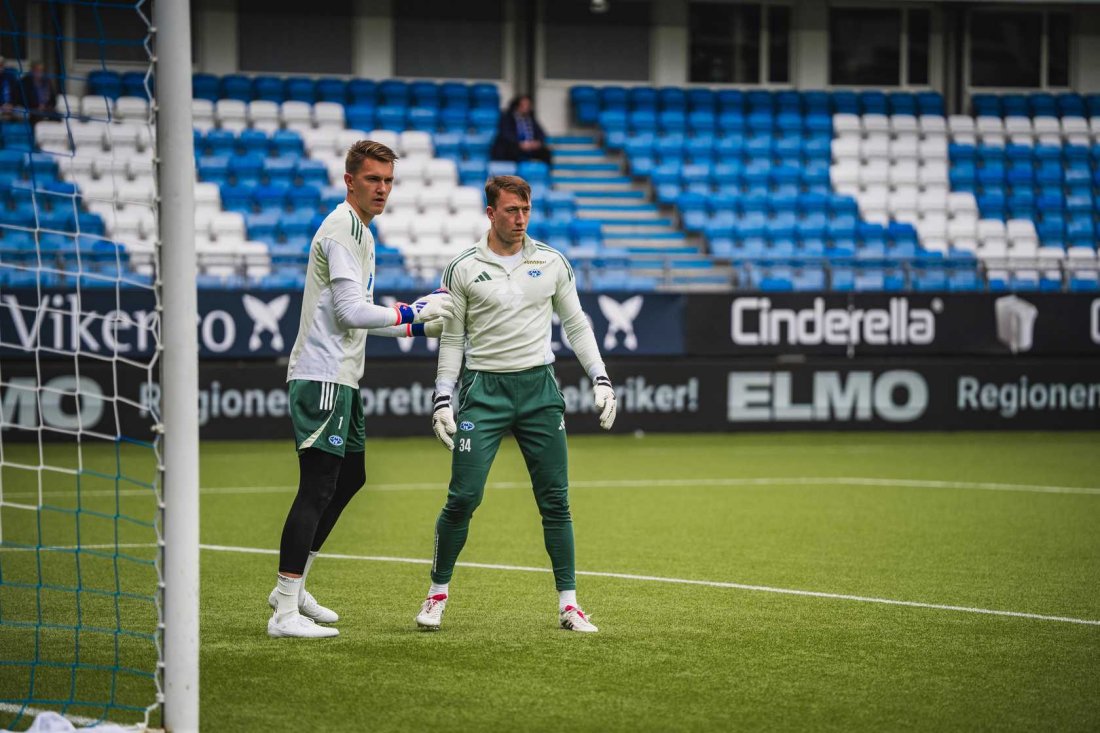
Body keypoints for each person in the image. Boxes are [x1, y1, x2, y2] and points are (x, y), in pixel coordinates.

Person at [267, 140, 454, 639]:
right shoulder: (342, 230)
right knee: (319, 485)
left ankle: (294, 585)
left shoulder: (361, 232)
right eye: (373, 179)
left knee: (350, 478)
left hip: (342, 376)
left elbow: (361, 316)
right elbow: (352, 314)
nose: (383, 189)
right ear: (350, 181)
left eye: (389, 181)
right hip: (322, 376)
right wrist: (413, 314)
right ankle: (284, 610)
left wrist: (414, 322)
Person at [415, 175, 617, 634]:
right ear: (491, 213)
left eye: (525, 209)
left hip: (539, 392)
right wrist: (442, 398)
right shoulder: (462, 267)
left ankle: (569, 604)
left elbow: (577, 325)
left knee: (555, 500)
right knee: (463, 497)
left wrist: (600, 377)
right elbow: (452, 337)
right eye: (511, 210)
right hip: (483, 393)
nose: (520, 218)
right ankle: (436, 593)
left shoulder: (552, 261)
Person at [490, 94, 552, 164]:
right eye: (524, 105)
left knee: (546, 151)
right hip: (513, 146)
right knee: (513, 150)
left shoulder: (531, 118)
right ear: (517, 105)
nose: (526, 107)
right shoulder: (507, 117)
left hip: (529, 146)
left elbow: (541, 133)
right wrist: (520, 144)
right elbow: (506, 134)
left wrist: (537, 143)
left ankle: (546, 173)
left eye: (528, 105)